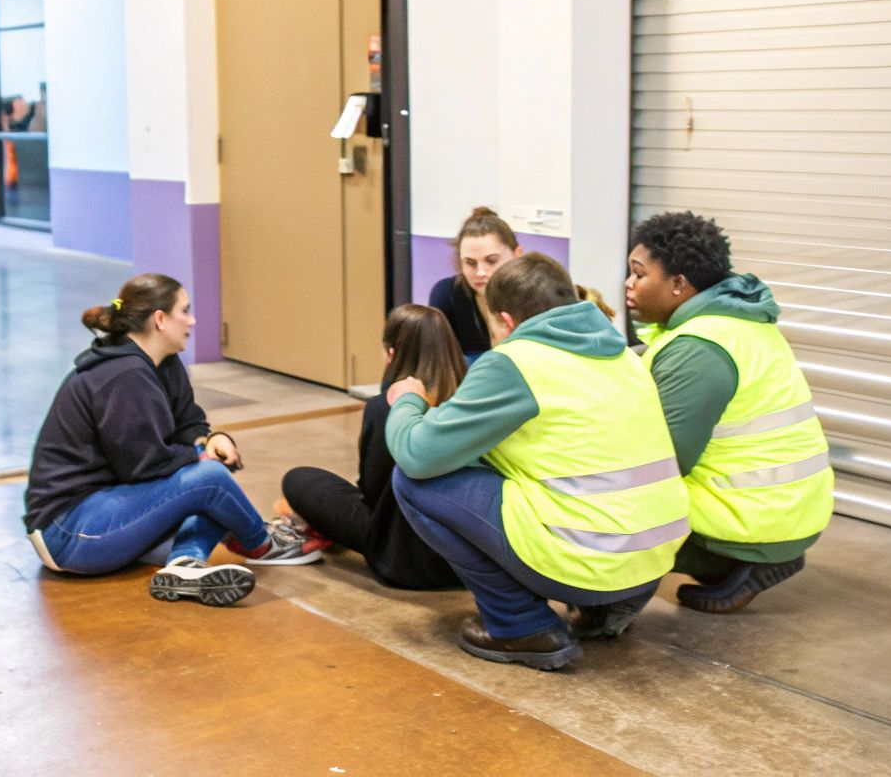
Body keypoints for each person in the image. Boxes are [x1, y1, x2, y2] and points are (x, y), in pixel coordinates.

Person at [388, 254, 690, 670]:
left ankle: (520, 626)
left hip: (590, 561)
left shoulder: (516, 362)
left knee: (414, 481)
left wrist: (407, 401)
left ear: (506, 321)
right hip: (653, 559)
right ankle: (608, 608)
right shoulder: (624, 357)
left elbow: (418, 453)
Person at [23, 273, 323, 606]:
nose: (193, 319)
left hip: (110, 512)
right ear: (160, 319)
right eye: (185, 310)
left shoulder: (162, 362)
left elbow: (187, 420)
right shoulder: (123, 374)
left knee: (212, 488)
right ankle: (263, 544)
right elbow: (145, 466)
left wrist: (208, 438)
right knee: (211, 480)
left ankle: (185, 565)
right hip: (70, 532)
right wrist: (201, 461)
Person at [626, 212, 832, 613]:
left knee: (595, 509)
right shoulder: (735, 322)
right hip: (785, 510)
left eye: (639, 274)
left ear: (679, 285)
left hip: (751, 519)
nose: (629, 284)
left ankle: (733, 561)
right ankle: (745, 562)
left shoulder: (699, 348)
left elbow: (662, 465)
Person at [277, 305, 468, 590]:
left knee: (298, 479)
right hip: (466, 563)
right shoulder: (470, 404)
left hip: (400, 560)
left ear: (392, 353)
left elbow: (372, 492)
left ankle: (315, 526)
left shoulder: (384, 407)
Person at [428, 207, 522, 361]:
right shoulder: (446, 295)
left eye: (491, 261)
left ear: (517, 255)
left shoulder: (536, 295)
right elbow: (436, 365)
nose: (480, 272)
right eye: (470, 263)